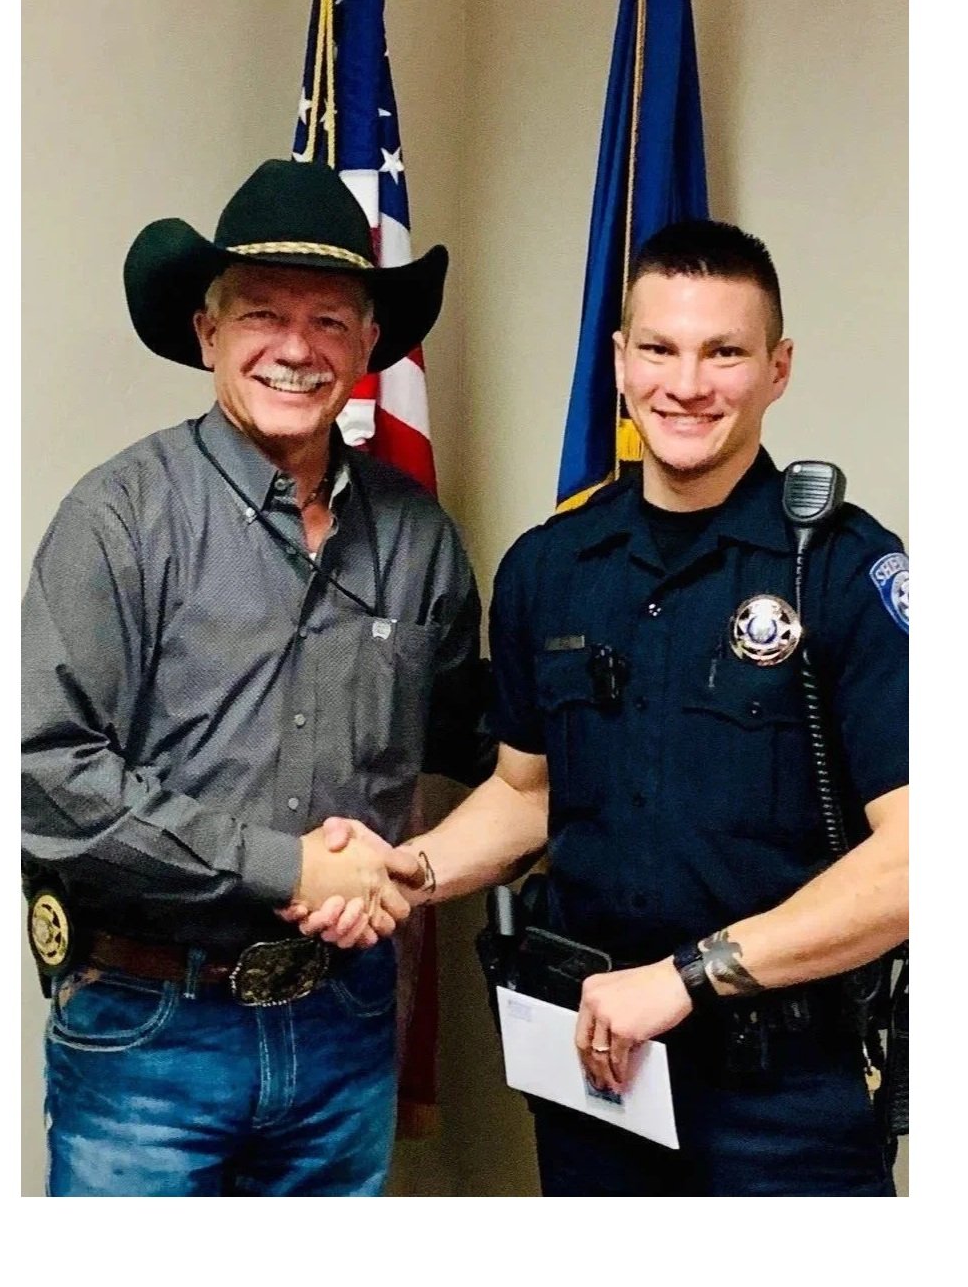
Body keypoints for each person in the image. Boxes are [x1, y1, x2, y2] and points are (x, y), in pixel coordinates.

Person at [302, 218, 908, 1197]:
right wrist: (403, 871)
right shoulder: (551, 567)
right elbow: (525, 792)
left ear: (776, 368)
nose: (686, 382)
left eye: (724, 352)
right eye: (659, 348)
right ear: (620, 363)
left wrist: (684, 976)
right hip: (596, 1078)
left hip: (784, 1102)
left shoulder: (837, 567)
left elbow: (916, 859)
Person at [21, 158, 492, 1197]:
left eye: (330, 321)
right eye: (261, 316)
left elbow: (485, 745)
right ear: (207, 332)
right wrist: (284, 867)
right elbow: (39, 773)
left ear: (371, 345)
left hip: (345, 1031)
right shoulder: (118, 519)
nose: (295, 348)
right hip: (148, 1036)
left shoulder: (416, 537)